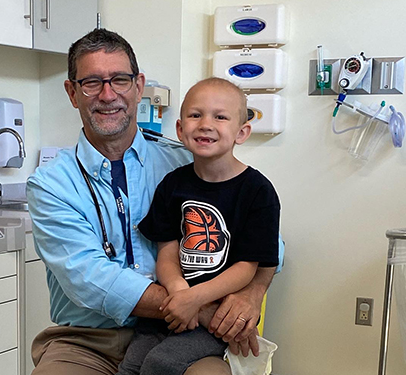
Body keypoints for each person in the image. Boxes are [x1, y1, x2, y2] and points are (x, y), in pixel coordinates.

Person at [26, 28, 277, 375]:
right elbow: (88, 276)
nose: (108, 94)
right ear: (72, 92)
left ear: (139, 86)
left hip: (188, 334)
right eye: (92, 83)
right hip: (88, 340)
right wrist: (195, 305)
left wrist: (252, 294)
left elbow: (269, 244)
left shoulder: (187, 164)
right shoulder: (51, 184)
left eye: (120, 80)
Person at [116, 78, 280, 375]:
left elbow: (247, 267)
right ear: (180, 129)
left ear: (241, 132)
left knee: (160, 363)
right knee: (131, 365)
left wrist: (196, 299)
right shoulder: (173, 185)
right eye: (195, 115)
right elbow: (167, 249)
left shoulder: (258, 192)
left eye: (220, 117)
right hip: (170, 310)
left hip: (214, 316)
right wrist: (179, 291)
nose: (205, 124)